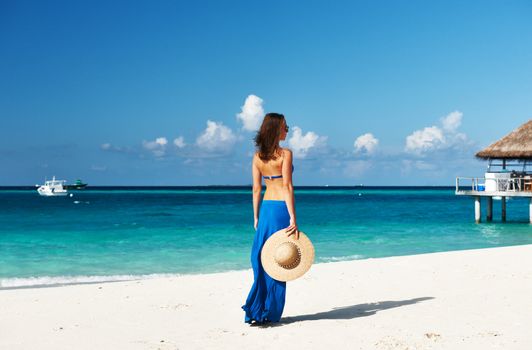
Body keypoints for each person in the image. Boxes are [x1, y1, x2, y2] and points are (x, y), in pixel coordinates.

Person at [242, 112, 299, 325]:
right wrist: (293, 216)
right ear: (275, 129)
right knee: (278, 258)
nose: (287, 130)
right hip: (281, 209)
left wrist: (256, 216)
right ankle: (270, 311)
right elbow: (287, 186)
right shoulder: (285, 154)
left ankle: (257, 309)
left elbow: (256, 189)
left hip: (266, 209)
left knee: (263, 257)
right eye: (285, 126)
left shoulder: (257, 158)